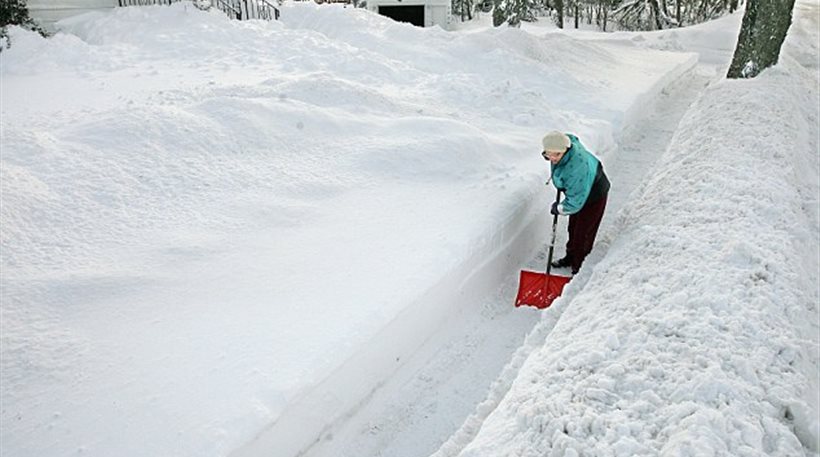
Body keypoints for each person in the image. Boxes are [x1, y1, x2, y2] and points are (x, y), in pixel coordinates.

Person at [541, 131, 610, 275]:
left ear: (565, 150)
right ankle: (570, 258)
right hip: (579, 190)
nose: (552, 158)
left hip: (594, 195)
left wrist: (560, 208)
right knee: (573, 228)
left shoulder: (577, 168)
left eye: (557, 155)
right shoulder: (563, 146)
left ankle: (579, 267)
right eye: (549, 154)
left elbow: (575, 202)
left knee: (582, 234)